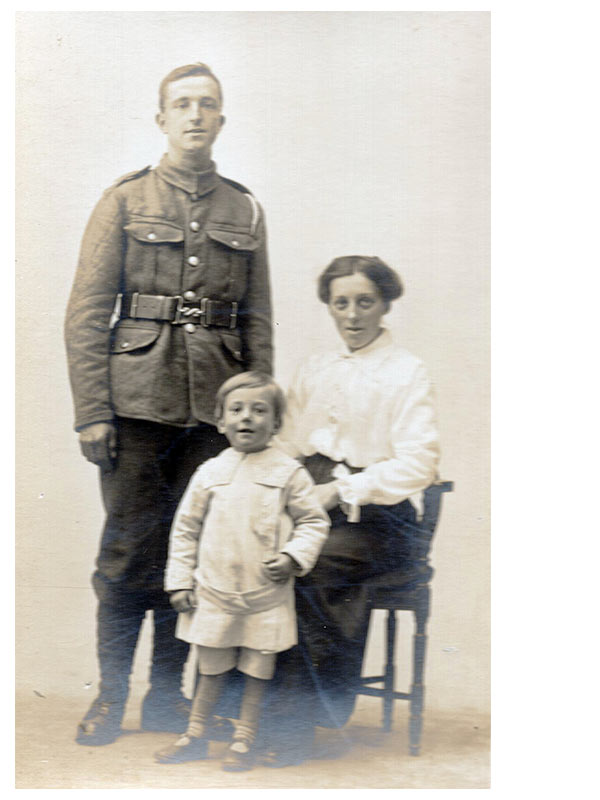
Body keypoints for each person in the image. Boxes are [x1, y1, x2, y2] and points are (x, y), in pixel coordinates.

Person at [64, 63, 272, 746]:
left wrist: (257, 418)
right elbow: (87, 313)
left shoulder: (244, 209)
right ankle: (111, 697)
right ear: (161, 119)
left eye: (207, 105)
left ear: (221, 119)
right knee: (127, 555)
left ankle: (164, 702)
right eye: (181, 105)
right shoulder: (123, 201)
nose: (194, 115)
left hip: (215, 418)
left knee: (199, 559)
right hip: (133, 407)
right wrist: (92, 409)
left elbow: (258, 324)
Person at [264, 255, 440, 766]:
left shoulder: (407, 371)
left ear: (385, 303)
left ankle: (295, 725)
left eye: (365, 302)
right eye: (341, 303)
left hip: (379, 518)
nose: (353, 315)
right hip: (313, 503)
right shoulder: (316, 369)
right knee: (254, 553)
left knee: (309, 564)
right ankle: (247, 713)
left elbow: (419, 464)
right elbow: (287, 445)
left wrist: (342, 492)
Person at [152, 372, 329, 771]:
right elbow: (185, 529)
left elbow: (313, 522)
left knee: (256, 671)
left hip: (264, 595)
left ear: (277, 423)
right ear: (221, 421)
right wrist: (179, 580)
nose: (247, 418)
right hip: (215, 592)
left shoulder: (289, 473)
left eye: (259, 410)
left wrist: (292, 557)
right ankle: (195, 734)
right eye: (237, 409)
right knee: (211, 666)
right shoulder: (209, 472)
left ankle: (243, 739)